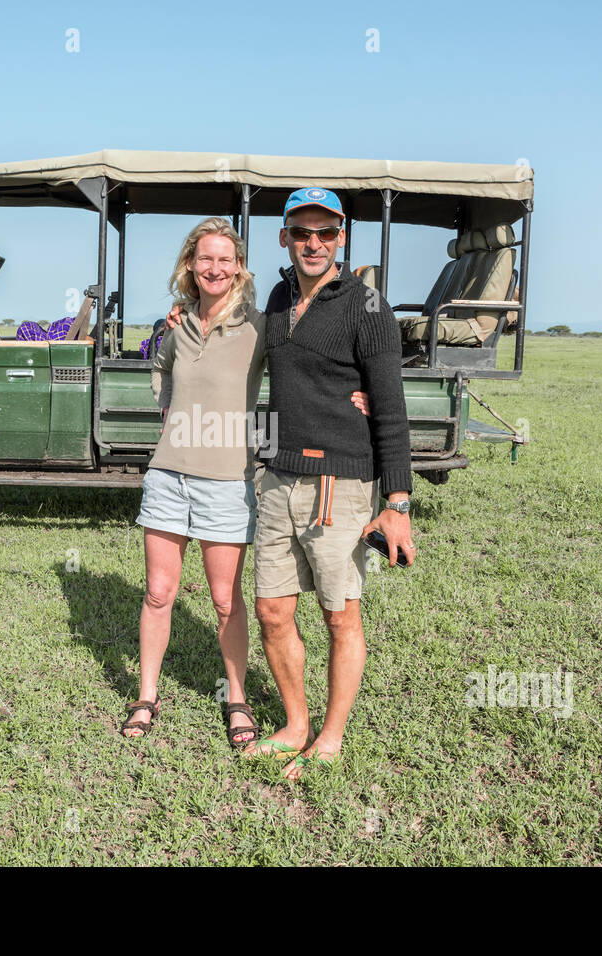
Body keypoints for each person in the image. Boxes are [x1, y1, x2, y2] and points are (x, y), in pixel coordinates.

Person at [173, 188, 417, 779]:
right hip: (277, 477)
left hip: (340, 481)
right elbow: (223, 321)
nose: (314, 243)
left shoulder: (368, 306)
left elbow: (389, 406)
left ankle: (330, 736)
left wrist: (398, 501)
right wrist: (180, 314)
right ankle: (296, 723)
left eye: (326, 233)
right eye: (302, 232)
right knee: (272, 611)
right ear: (283, 237)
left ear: (341, 239)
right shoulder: (278, 297)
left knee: (340, 615)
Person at [123, 217, 371, 749]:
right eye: (205, 258)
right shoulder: (176, 324)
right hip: (168, 476)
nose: (215, 268)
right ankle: (146, 695)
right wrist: (166, 409)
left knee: (225, 600)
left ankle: (236, 698)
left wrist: (357, 394)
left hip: (227, 481)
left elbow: (308, 364)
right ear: (191, 265)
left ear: (238, 268)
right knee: (158, 592)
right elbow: (160, 368)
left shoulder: (261, 325)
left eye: (225, 259)